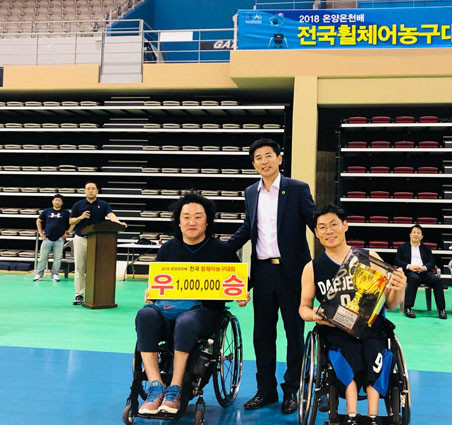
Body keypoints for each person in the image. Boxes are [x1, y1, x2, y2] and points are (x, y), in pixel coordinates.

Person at [228, 138, 316, 414]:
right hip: (263, 272)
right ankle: (265, 390)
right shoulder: (250, 192)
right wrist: (219, 249)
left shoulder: (298, 189)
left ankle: (291, 391)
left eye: (268, 155)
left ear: (279, 158)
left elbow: (315, 223)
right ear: (253, 164)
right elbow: (247, 229)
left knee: (294, 334)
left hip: (293, 273)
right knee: (262, 336)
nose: (264, 161)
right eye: (258, 158)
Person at [299, 204, 406, 425]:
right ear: (316, 233)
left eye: (334, 225)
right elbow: (303, 308)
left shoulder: (369, 258)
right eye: (322, 227)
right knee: (347, 354)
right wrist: (314, 315)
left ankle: (373, 417)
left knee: (375, 353)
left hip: (372, 330)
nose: (329, 231)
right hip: (336, 331)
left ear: (345, 225)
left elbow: (391, 304)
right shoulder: (312, 268)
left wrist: (399, 288)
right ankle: (350, 416)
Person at [136, 192, 240, 415]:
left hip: (204, 314)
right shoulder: (168, 249)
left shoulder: (222, 251)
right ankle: (155, 386)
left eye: (198, 217)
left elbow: (240, 282)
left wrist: (241, 295)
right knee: (145, 314)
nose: (192, 222)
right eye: (186, 217)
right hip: (168, 309)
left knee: (186, 321)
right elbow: (157, 283)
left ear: (207, 221)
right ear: (179, 221)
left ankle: (175, 388)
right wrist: (150, 292)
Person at [69, 181, 126, 306]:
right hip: (80, 239)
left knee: (98, 268)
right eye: (88, 188)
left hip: (97, 241)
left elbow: (111, 215)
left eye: (93, 188)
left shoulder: (103, 204)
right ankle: (79, 294)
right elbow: (71, 221)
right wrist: (81, 217)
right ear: (85, 191)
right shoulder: (78, 205)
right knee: (80, 268)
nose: (90, 190)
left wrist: (118, 223)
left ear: (97, 191)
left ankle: (97, 294)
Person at [395, 224, 447, 319]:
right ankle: (408, 308)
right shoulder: (402, 247)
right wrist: (409, 266)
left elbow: (432, 262)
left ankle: (441, 309)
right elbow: (397, 261)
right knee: (414, 278)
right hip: (410, 272)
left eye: (418, 233)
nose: (416, 235)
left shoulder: (426, 248)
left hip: (424, 272)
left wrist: (424, 268)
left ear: (422, 236)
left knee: (437, 280)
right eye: (414, 232)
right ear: (410, 234)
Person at [33, 194, 71, 282]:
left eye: (59, 200)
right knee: (42, 257)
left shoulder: (66, 212)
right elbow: (38, 221)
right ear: (52, 201)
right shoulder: (46, 211)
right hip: (47, 238)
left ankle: (55, 274)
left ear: (62, 203)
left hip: (59, 239)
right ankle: (39, 274)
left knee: (57, 258)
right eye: (56, 200)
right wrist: (41, 233)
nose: (57, 202)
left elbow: (73, 223)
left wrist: (67, 233)